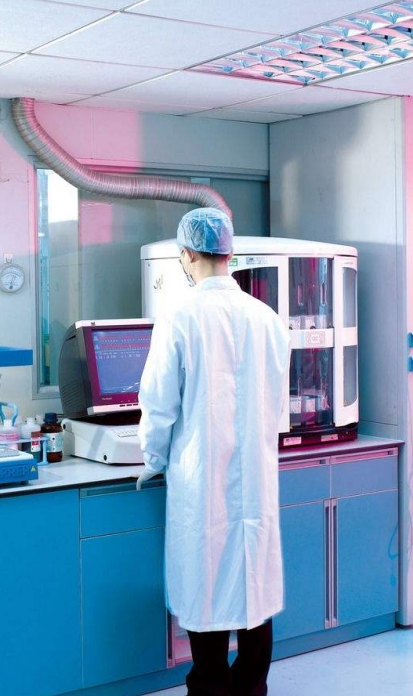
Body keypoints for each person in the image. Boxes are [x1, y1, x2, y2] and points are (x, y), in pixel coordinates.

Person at [138, 207, 291, 696]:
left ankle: (209, 688)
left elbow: (158, 405)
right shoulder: (267, 318)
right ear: (230, 252)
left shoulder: (179, 317)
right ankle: (252, 688)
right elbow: (278, 405)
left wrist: (152, 461)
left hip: (201, 478)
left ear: (186, 255)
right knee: (253, 590)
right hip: (256, 476)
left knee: (206, 590)